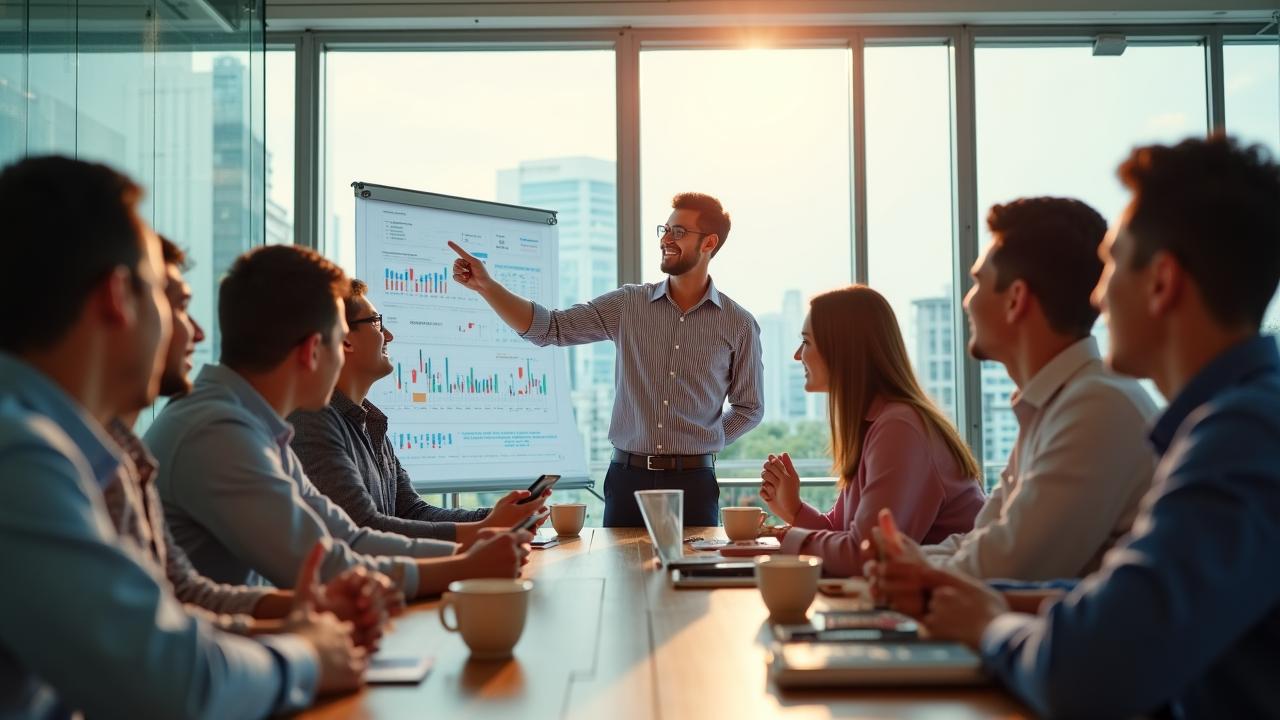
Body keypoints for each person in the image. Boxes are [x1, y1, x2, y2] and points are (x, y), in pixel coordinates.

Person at [877, 135, 1280, 718]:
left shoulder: (1242, 435)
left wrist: (990, 623)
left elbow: (1087, 673)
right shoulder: (1234, 420)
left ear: (1162, 282)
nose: (1097, 294)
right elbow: (1121, 604)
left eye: (1113, 263)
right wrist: (975, 599)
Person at [0, 156, 364, 717]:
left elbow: (162, 619)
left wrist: (288, 629)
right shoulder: (19, 456)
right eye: (161, 297)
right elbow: (172, 682)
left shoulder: (65, 447)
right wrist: (305, 656)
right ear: (116, 298)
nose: (185, 331)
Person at [146, 244, 531, 601]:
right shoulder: (218, 431)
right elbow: (324, 566)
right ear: (315, 349)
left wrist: (470, 552)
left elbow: (348, 538)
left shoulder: (252, 425)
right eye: (337, 338)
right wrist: (464, 565)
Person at [101, 237, 400, 646]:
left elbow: (184, 597)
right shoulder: (212, 430)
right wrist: (304, 652)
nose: (197, 331)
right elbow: (153, 652)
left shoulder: (122, 451)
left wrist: (308, 613)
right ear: (116, 301)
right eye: (181, 306)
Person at [880, 196, 1159, 582]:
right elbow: (984, 540)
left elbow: (1006, 569)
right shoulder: (1058, 403)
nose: (967, 301)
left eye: (977, 283)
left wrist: (907, 567)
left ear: (1016, 300)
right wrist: (905, 560)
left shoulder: (1097, 407)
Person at [450, 192, 764, 526]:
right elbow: (550, 328)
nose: (666, 239)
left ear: (709, 243)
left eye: (679, 232)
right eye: (665, 229)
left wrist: (706, 439)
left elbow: (750, 407)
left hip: (694, 484)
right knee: (619, 576)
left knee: (688, 573)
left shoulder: (738, 324)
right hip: (628, 479)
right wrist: (487, 286)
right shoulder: (629, 304)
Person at [289, 278, 547, 544]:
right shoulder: (313, 422)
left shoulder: (370, 422)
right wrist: (487, 528)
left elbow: (411, 512)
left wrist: (496, 517)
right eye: (376, 322)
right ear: (345, 340)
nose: (388, 335)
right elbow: (364, 529)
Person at [757, 285, 984, 576]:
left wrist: (786, 538)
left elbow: (863, 555)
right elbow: (841, 533)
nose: (797, 356)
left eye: (807, 342)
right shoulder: (876, 423)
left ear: (843, 350)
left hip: (953, 606)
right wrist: (793, 509)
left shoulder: (900, 427)